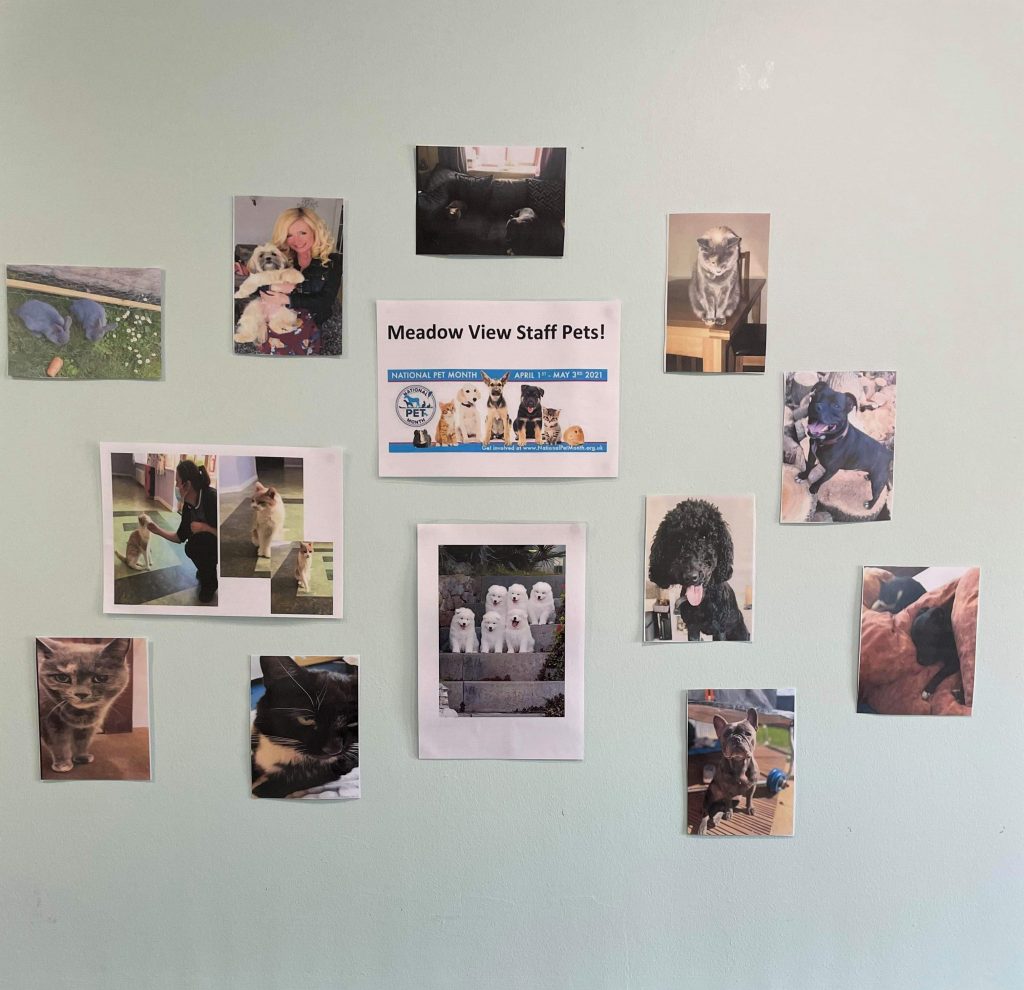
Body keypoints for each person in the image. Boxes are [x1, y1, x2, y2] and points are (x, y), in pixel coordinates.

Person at [235, 206, 343, 355]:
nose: (296, 241)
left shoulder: (333, 261)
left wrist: (287, 299)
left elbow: (325, 301)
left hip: (312, 323)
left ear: (315, 231)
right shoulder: (282, 256)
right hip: (274, 319)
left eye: (302, 233)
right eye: (289, 235)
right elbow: (261, 285)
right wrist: (264, 282)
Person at [147, 460, 218, 603]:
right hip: (206, 546)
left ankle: (210, 584)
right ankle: (205, 571)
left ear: (187, 485)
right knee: (191, 547)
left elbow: (225, 535)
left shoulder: (211, 498)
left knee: (201, 540)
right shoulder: (187, 507)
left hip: (219, 547)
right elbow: (179, 537)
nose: (176, 487)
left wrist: (205, 528)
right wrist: (157, 530)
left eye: (177, 482)